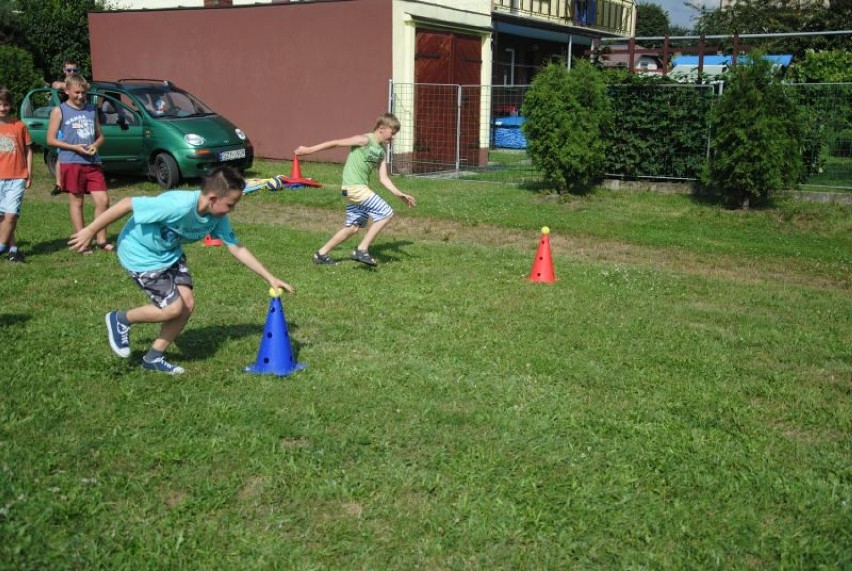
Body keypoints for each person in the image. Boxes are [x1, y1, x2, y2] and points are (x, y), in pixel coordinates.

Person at [67, 165, 295, 375]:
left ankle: (153, 357)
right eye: (230, 205)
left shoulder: (216, 217)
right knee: (172, 308)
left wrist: (270, 277)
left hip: (169, 254)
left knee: (186, 304)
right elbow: (127, 203)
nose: (231, 210)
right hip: (140, 255)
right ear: (213, 198)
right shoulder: (177, 204)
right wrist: (90, 231)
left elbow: (236, 248)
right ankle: (120, 319)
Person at [295, 112, 416, 267]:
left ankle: (320, 254)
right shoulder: (364, 140)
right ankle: (361, 249)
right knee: (386, 213)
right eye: (392, 133)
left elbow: (383, 178)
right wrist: (308, 150)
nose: (393, 137)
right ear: (381, 128)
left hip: (356, 190)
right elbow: (335, 143)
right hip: (354, 188)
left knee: (353, 227)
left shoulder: (381, 151)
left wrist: (399, 194)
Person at [47, 74, 112, 253]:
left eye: (83, 92)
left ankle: (101, 240)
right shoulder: (59, 111)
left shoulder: (91, 110)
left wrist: (95, 145)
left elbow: (100, 136)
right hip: (71, 162)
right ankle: (82, 242)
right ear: (67, 91)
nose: (81, 96)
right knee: (77, 202)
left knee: (103, 200)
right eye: (77, 92)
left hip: (92, 162)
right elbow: (51, 140)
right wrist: (74, 147)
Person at [0, 87, 33, 263]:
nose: (2, 108)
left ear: (11, 105)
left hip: (17, 177)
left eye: (5, 104)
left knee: (11, 214)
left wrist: (29, 173)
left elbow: (28, 150)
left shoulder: (19, 126)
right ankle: (13, 249)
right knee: (2, 217)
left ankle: (1, 246)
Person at [50, 59, 79, 196]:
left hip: (78, 122)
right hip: (63, 124)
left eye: (74, 70)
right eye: (69, 70)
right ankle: (59, 184)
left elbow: (88, 86)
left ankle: (77, 182)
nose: (72, 73)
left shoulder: (80, 83)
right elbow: (55, 85)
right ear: (64, 71)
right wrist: (68, 84)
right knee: (62, 155)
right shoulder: (61, 83)